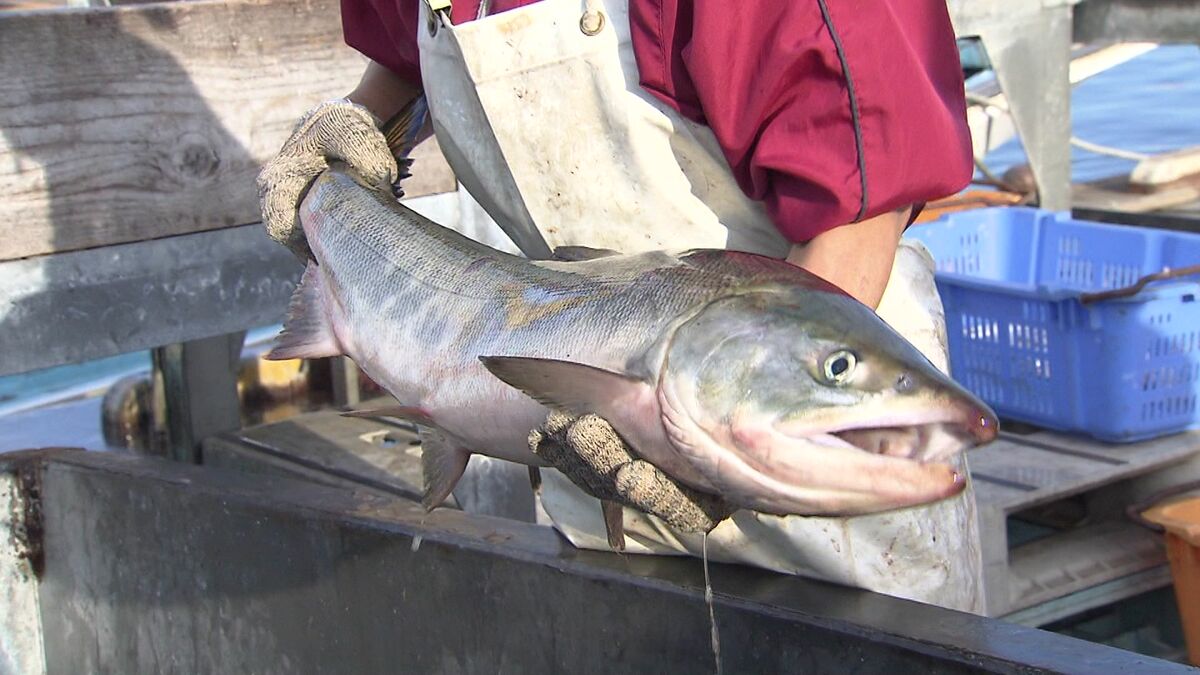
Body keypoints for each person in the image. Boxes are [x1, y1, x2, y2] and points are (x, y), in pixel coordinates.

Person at [258, 0, 985, 612]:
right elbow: (408, 45)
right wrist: (351, 128)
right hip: (591, 470)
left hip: (830, 459)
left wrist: (712, 424)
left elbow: (859, 201)